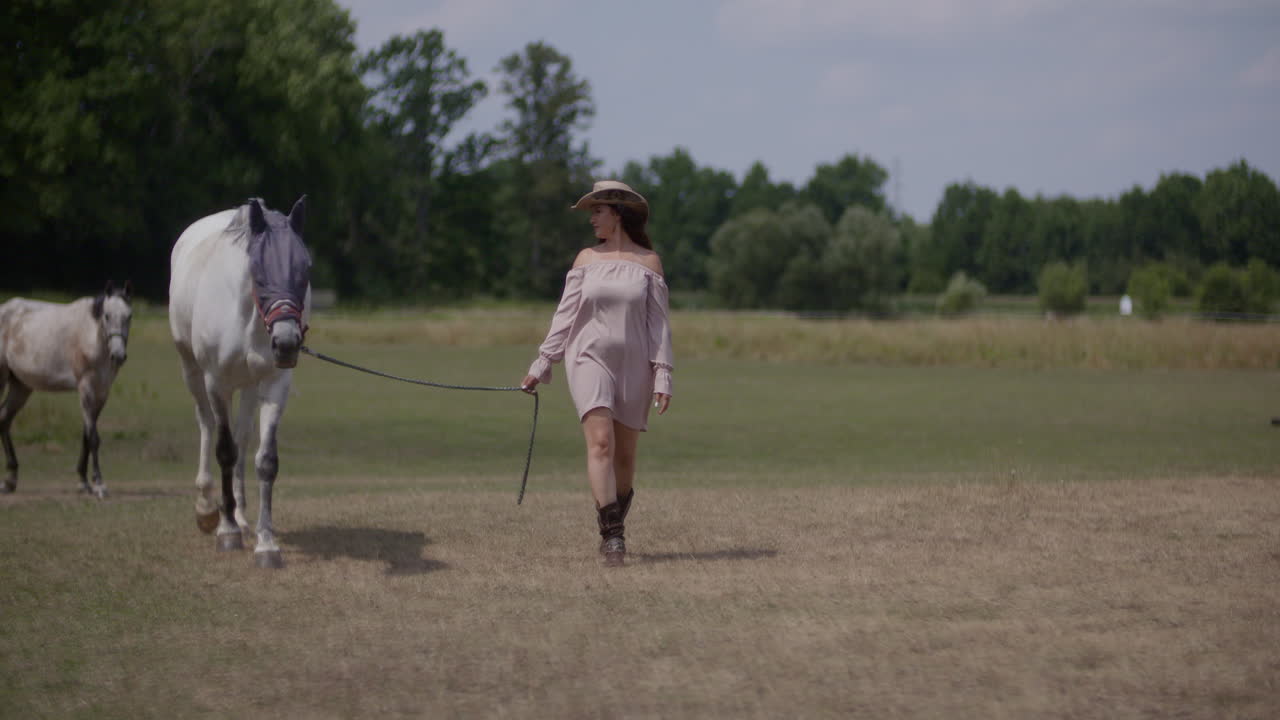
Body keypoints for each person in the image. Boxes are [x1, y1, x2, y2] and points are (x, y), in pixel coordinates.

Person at [520, 180, 674, 567]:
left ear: (617, 213)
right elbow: (565, 315)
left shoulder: (648, 263)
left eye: (597, 211)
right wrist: (542, 362)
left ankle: (611, 518)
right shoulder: (585, 259)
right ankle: (613, 537)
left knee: (624, 459)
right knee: (601, 444)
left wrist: (663, 374)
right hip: (588, 357)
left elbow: (659, 327)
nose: (591, 219)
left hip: (634, 363)